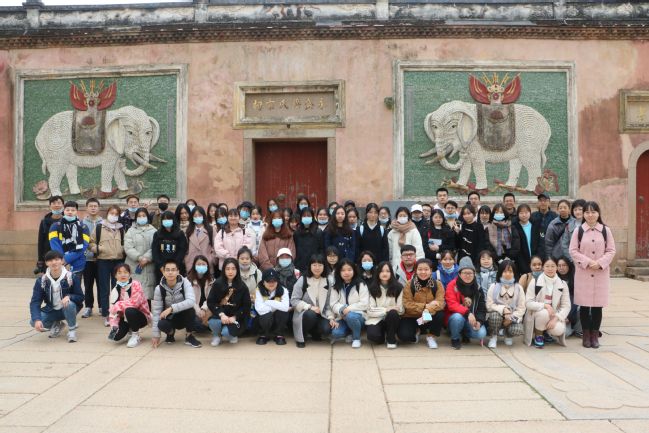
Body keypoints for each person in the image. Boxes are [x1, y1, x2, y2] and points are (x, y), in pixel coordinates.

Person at [569, 201, 616, 349]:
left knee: (597, 307)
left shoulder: (606, 230)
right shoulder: (578, 231)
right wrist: (588, 262)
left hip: (600, 273)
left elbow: (611, 250)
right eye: (587, 212)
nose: (590, 215)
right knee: (584, 306)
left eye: (593, 212)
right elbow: (573, 250)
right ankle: (586, 335)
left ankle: (594, 336)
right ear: (583, 214)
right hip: (584, 273)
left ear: (598, 213)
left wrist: (600, 263)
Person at [29, 250, 83, 343]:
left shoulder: (71, 277)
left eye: (57, 259)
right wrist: (37, 319)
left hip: (68, 309)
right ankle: (57, 325)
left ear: (62, 261)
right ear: (46, 263)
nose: (54, 262)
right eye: (50, 260)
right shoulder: (42, 280)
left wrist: (69, 297)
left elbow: (80, 297)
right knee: (33, 321)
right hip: (52, 310)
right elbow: (35, 302)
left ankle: (72, 330)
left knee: (69, 304)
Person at [151, 259, 201, 348]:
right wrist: (156, 335)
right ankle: (170, 333)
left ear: (178, 272)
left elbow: (191, 301)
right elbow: (156, 312)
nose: (170, 272)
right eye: (167, 270)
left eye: (173, 270)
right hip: (170, 318)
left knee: (191, 311)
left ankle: (189, 336)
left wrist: (171, 308)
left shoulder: (185, 283)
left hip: (183, 316)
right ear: (163, 272)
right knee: (161, 324)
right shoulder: (159, 289)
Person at [523, 257, 571, 348]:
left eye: (553, 266)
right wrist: (545, 306)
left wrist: (556, 318)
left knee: (558, 330)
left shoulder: (563, 284)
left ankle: (547, 333)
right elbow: (528, 303)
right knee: (544, 313)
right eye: (547, 266)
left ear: (557, 267)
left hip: (554, 315)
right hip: (537, 314)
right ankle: (539, 336)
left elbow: (566, 306)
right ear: (543, 268)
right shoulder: (535, 282)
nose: (550, 269)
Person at [90, 205, 125, 327]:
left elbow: (124, 243)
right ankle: (106, 314)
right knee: (104, 289)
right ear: (107, 213)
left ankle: (116, 313)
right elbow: (91, 242)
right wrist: (99, 249)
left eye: (116, 214)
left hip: (118, 261)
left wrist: (122, 250)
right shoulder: (99, 227)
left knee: (117, 288)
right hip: (103, 261)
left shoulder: (121, 228)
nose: (113, 216)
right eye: (111, 213)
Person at [398, 259, 445, 349]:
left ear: (431, 271)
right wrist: (425, 307)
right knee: (404, 336)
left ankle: (431, 336)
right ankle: (418, 330)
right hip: (413, 317)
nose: (423, 272)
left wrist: (427, 311)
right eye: (420, 269)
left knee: (440, 314)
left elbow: (441, 303)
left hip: (429, 317)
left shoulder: (437, 284)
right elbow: (407, 304)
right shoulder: (409, 284)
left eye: (426, 269)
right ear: (416, 270)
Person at [445, 257, 488, 350]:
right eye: (465, 273)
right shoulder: (452, 285)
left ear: (474, 274)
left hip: (471, 320)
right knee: (457, 318)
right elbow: (452, 305)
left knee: (481, 333)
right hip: (455, 319)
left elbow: (481, 308)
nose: (468, 275)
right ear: (459, 274)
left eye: (470, 273)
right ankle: (455, 338)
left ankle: (465, 334)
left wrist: (479, 321)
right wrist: (468, 313)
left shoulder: (478, 287)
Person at [206, 258, 251, 346]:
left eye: (233, 269)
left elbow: (246, 306)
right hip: (220, 315)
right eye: (228, 269)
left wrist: (235, 317)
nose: (230, 272)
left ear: (237, 270)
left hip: (235, 317)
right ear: (223, 270)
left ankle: (231, 335)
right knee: (213, 322)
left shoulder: (242, 286)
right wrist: (221, 314)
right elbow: (211, 302)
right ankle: (216, 335)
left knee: (226, 332)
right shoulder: (217, 284)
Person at [291, 254, 332, 348]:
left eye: (320, 265)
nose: (317, 268)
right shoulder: (303, 280)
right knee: (310, 314)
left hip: (321, 313)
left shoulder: (328, 281)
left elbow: (328, 303)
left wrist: (331, 317)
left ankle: (314, 332)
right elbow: (294, 300)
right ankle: (303, 334)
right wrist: (309, 307)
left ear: (324, 266)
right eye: (314, 265)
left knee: (326, 328)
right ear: (310, 266)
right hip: (305, 313)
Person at [106, 263, 151, 348]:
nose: (123, 275)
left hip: (140, 316)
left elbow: (135, 303)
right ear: (115, 275)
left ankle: (135, 335)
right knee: (115, 337)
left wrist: (118, 305)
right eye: (119, 273)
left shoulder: (136, 284)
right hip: (124, 317)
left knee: (129, 310)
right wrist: (114, 325)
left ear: (129, 274)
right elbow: (112, 311)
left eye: (125, 272)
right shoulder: (115, 290)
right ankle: (129, 329)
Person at [328, 259, 369, 348]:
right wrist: (342, 309)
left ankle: (356, 338)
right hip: (342, 316)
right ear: (339, 272)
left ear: (354, 270)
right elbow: (333, 303)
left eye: (349, 270)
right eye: (343, 270)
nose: (346, 273)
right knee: (336, 333)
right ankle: (351, 331)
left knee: (351, 316)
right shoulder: (336, 286)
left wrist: (348, 309)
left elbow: (364, 303)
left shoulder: (361, 284)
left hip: (358, 316)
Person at [486, 260, 526, 348]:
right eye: (504, 271)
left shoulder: (519, 288)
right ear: (500, 272)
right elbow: (489, 305)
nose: (507, 274)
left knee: (517, 329)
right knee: (495, 317)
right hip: (498, 316)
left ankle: (508, 334)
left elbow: (521, 308)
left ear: (514, 273)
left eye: (510, 271)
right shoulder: (494, 286)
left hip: (512, 316)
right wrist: (503, 309)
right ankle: (493, 336)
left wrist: (511, 318)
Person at [366, 261, 404, 349]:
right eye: (382, 271)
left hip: (393, 319)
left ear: (391, 273)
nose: (385, 274)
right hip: (377, 319)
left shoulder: (398, 287)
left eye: (387, 271)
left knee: (393, 313)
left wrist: (391, 310)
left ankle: (391, 339)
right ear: (378, 273)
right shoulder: (372, 288)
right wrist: (386, 309)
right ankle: (383, 334)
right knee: (373, 337)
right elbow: (370, 310)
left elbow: (401, 310)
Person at [123, 207, 157, 302]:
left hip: (149, 265)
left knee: (148, 295)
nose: (141, 218)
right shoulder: (130, 231)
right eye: (139, 216)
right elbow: (128, 247)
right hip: (134, 264)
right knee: (135, 294)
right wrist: (139, 258)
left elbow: (155, 247)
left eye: (143, 216)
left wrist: (146, 258)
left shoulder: (154, 231)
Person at [49, 200, 89, 275]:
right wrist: (62, 259)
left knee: (76, 282)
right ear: (63, 211)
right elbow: (54, 244)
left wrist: (67, 259)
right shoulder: (55, 226)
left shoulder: (83, 227)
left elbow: (84, 245)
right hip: (60, 264)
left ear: (77, 211)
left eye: (73, 210)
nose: (70, 212)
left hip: (78, 263)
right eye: (67, 210)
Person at [254, 268, 290, 345]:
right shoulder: (258, 290)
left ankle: (279, 334)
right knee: (266, 315)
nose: (271, 283)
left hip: (278, 317)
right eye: (268, 281)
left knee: (283, 312)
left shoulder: (283, 290)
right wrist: (277, 305)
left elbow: (285, 307)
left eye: (274, 281)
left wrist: (268, 302)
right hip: (264, 319)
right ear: (263, 282)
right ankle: (264, 334)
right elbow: (260, 309)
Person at [151, 211, 188, 282]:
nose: (167, 221)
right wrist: (161, 266)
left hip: (177, 267)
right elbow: (155, 251)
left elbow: (182, 250)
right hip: (161, 268)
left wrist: (175, 266)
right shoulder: (157, 234)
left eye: (169, 219)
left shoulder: (180, 234)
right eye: (165, 219)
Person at [81, 198, 102, 318]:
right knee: (88, 284)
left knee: (101, 284)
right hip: (87, 259)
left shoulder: (104, 222)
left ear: (99, 208)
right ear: (87, 208)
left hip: (101, 259)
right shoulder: (81, 223)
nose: (93, 208)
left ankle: (102, 306)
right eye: (91, 206)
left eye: (95, 206)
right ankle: (88, 307)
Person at [511, 204, 544, 275]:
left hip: (536, 259)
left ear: (530, 213)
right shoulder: (514, 227)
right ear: (518, 214)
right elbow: (516, 246)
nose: (524, 215)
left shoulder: (536, 225)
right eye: (521, 213)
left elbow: (541, 243)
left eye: (526, 212)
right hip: (521, 260)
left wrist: (538, 257)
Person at [36, 195, 65, 274]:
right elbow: (41, 241)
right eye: (54, 203)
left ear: (63, 205)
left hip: (64, 256)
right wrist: (40, 260)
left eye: (59, 203)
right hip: (48, 255)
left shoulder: (67, 221)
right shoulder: (44, 221)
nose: (56, 205)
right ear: (50, 206)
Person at [184, 206, 216, 274]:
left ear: (203, 216)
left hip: (206, 264)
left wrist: (211, 259)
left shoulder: (210, 230)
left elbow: (215, 246)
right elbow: (185, 248)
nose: (197, 217)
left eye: (199, 215)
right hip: (191, 264)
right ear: (192, 217)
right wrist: (186, 259)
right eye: (195, 216)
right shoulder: (188, 231)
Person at [187, 255, 214, 333]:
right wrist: (198, 311)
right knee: (199, 326)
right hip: (194, 309)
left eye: (203, 264)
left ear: (207, 266)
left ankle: (207, 324)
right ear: (194, 266)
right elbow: (189, 299)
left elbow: (211, 298)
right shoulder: (188, 280)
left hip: (207, 309)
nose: (201, 266)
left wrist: (204, 309)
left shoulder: (212, 280)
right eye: (198, 264)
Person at [557, 256, 581, 338]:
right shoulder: (554, 279)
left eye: (564, 265)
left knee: (583, 308)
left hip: (573, 310)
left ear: (569, 266)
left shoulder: (575, 278)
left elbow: (576, 300)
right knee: (565, 333)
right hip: (560, 312)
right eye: (559, 265)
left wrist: (569, 317)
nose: (561, 268)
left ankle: (578, 330)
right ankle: (571, 327)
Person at [293, 207, 324, 273]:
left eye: (308, 216)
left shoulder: (318, 232)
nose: (306, 217)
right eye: (304, 216)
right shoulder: (297, 233)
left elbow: (321, 249)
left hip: (314, 265)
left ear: (312, 217)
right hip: (300, 265)